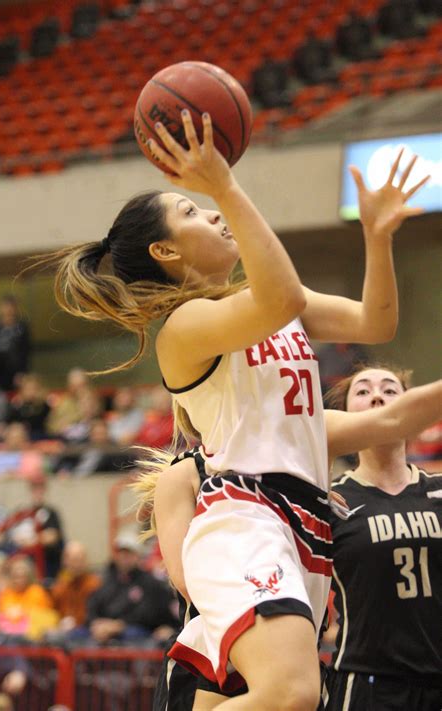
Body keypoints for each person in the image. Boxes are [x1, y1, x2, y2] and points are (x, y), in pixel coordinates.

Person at [40, 111, 427, 709]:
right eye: (192, 211)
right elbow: (283, 295)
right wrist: (223, 182)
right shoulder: (184, 327)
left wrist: (377, 239)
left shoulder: (266, 306)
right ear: (164, 249)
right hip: (246, 513)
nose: (213, 213)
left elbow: (377, 322)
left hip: (304, 520)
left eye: (205, 203)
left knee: (269, 701)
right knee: (292, 693)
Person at [133, 371, 442, 710]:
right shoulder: (186, 474)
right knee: (290, 694)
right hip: (219, 649)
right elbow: (189, 583)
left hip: (294, 643)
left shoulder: (298, 471)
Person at [323, 366, 442, 711]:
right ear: (344, 418)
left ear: (411, 408)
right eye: (362, 391)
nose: (377, 395)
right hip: (368, 684)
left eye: (390, 390)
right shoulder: (332, 501)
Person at [86, 532, 178, 646]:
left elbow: (149, 614)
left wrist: (118, 625)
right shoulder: (107, 580)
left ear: (138, 555)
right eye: (121, 552)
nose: (124, 556)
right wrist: (97, 623)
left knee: (133, 636)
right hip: (105, 630)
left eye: (129, 553)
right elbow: (94, 604)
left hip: (139, 632)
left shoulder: (150, 583)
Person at [9, 476, 64, 581]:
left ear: (45, 490)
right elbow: (15, 536)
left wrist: (32, 540)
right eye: (34, 489)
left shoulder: (51, 512)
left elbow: (52, 537)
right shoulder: (23, 512)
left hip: (48, 560)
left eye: (40, 488)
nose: (37, 492)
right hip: (25, 559)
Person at [50, 540, 101, 637]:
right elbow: (54, 612)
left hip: (87, 633)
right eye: (73, 560)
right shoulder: (60, 586)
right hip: (63, 631)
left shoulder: (95, 584)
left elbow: (94, 617)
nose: (76, 564)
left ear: (86, 561)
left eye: (80, 560)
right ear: (64, 561)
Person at [0, 295, 30, 392]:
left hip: (17, 372)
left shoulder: (22, 327)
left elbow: (26, 351)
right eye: (6, 306)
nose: (8, 309)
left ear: (15, 308)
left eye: (11, 306)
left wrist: (22, 372)